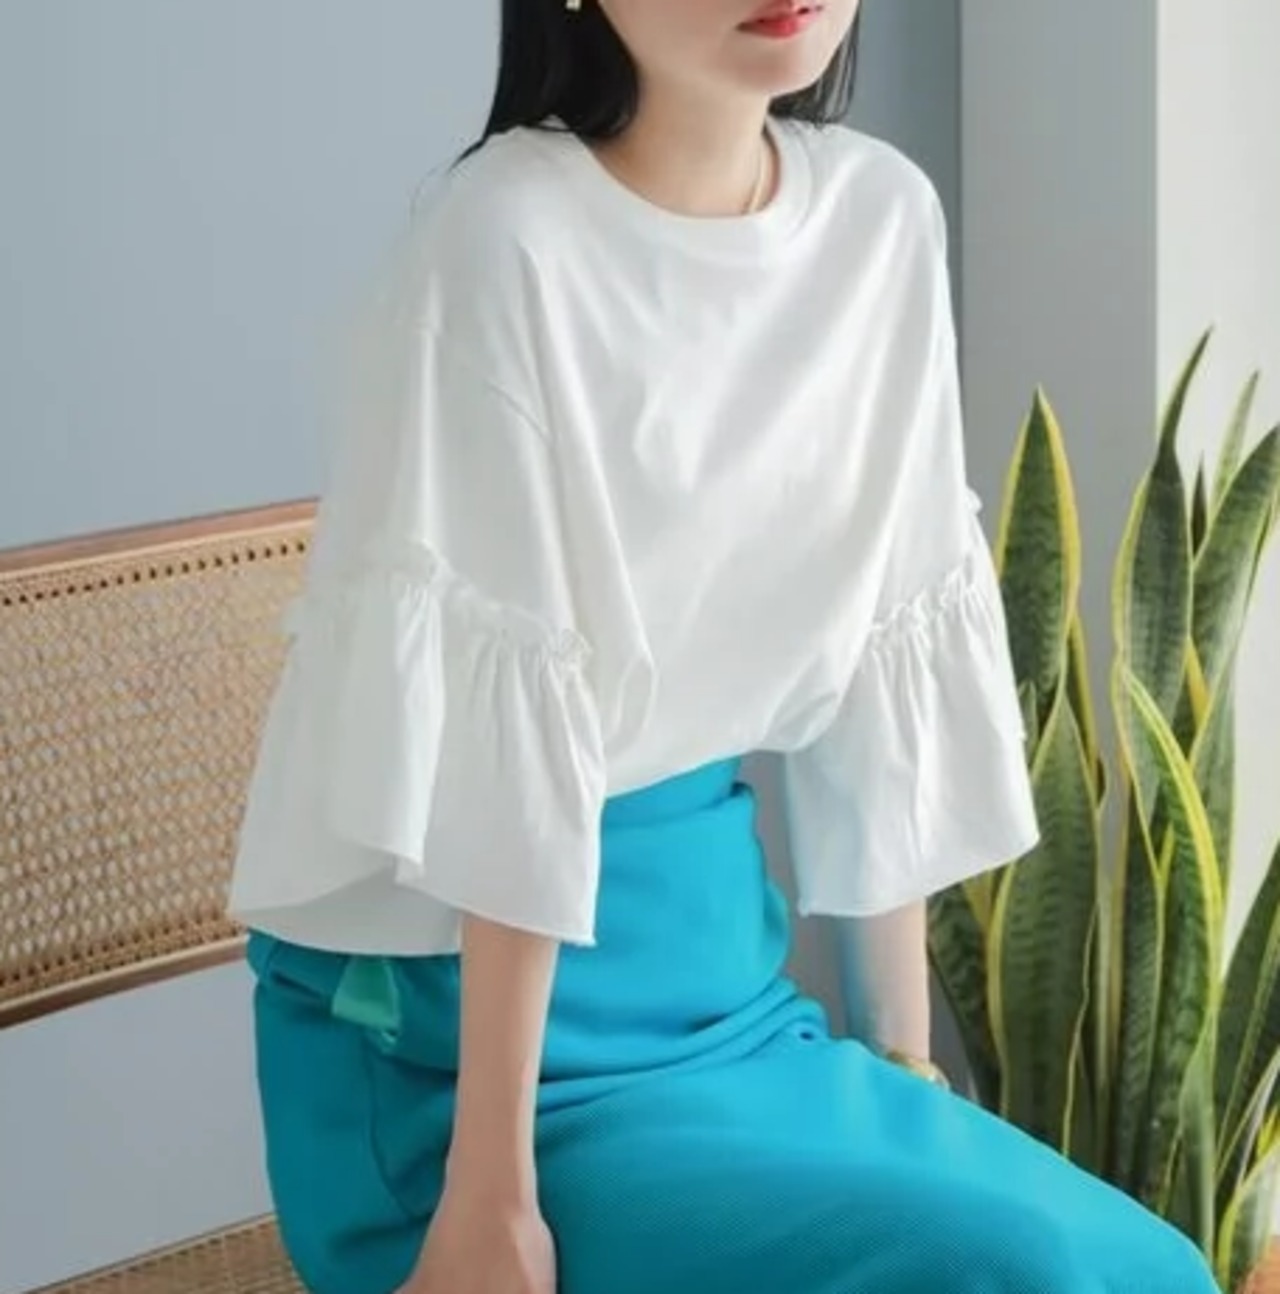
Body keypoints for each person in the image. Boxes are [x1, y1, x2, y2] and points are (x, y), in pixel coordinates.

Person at [227, 2, 1220, 1291]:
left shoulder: (880, 223)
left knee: (1142, 1267)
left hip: (727, 1006)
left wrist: (902, 1075)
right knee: (1021, 1277)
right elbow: (499, 763)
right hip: (455, 1065)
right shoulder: (506, 238)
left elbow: (881, 679)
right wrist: (489, 1205)